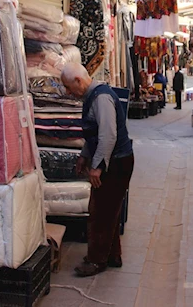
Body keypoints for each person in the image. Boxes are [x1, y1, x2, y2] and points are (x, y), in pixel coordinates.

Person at [60, 63, 134, 277]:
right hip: (117, 160)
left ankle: (96, 260)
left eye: (67, 87)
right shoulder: (93, 96)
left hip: (117, 162)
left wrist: (97, 168)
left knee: (100, 212)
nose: (67, 92)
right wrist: (84, 156)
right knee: (109, 211)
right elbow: (94, 133)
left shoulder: (100, 98)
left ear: (78, 81)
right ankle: (111, 256)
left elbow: (107, 136)